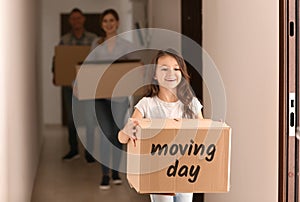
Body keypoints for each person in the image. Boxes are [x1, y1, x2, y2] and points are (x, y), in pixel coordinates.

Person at [118, 49, 203, 202]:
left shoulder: (191, 104)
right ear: (155, 75)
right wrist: (127, 131)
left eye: (176, 69)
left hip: (186, 173)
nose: (171, 73)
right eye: (164, 69)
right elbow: (122, 138)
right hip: (159, 174)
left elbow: (203, 135)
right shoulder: (146, 104)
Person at [84, 8, 136, 190]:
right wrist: (78, 84)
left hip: (119, 98)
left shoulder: (127, 46)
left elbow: (133, 69)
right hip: (100, 97)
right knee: (105, 134)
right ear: (101, 24)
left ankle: (115, 172)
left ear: (117, 22)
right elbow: (88, 68)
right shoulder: (95, 44)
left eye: (111, 20)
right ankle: (105, 174)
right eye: (105, 21)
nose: (108, 24)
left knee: (116, 134)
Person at [58, 8, 97, 161]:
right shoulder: (64, 40)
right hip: (69, 85)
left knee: (89, 119)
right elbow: (59, 60)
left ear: (83, 20)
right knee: (71, 118)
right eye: (73, 19)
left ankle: (89, 152)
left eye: (78, 18)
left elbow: (98, 61)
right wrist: (56, 75)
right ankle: (73, 149)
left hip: (88, 86)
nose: (76, 21)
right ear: (70, 21)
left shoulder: (93, 39)